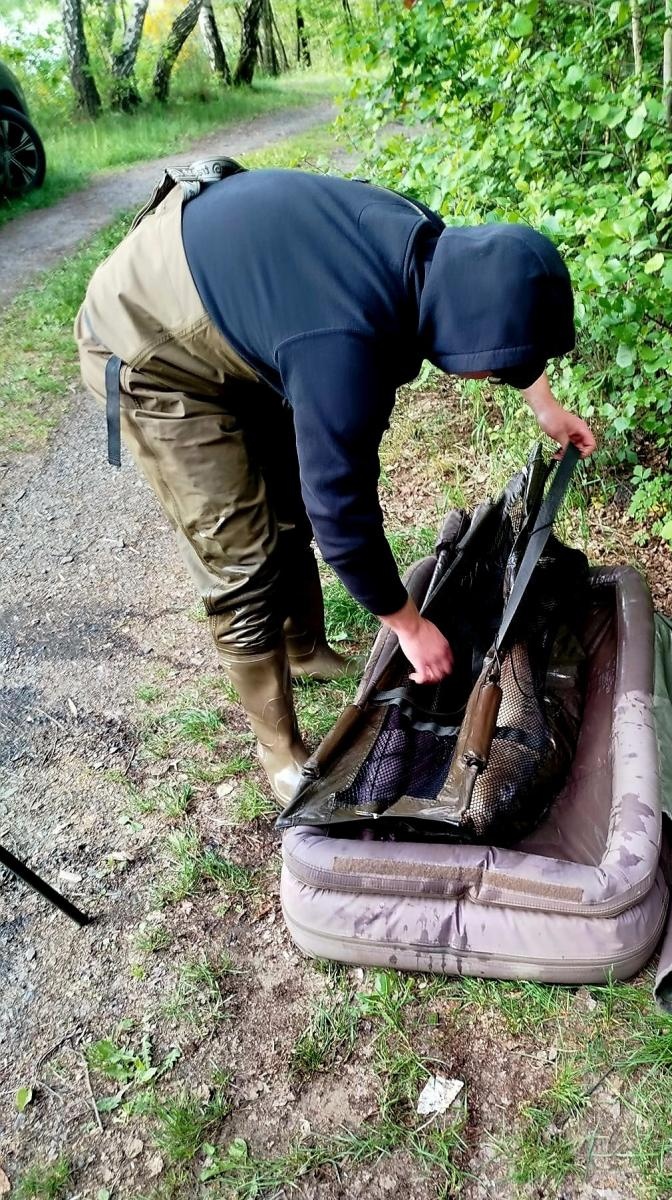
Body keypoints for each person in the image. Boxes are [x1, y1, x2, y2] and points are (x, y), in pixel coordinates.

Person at [75, 167, 596, 803]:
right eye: (501, 366)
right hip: (146, 342)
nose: (496, 374)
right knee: (242, 556)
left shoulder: (431, 250)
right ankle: (280, 751)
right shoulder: (346, 348)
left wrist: (542, 402)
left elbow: (501, 319)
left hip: (247, 305)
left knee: (287, 496)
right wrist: (406, 624)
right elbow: (341, 514)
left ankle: (303, 648)